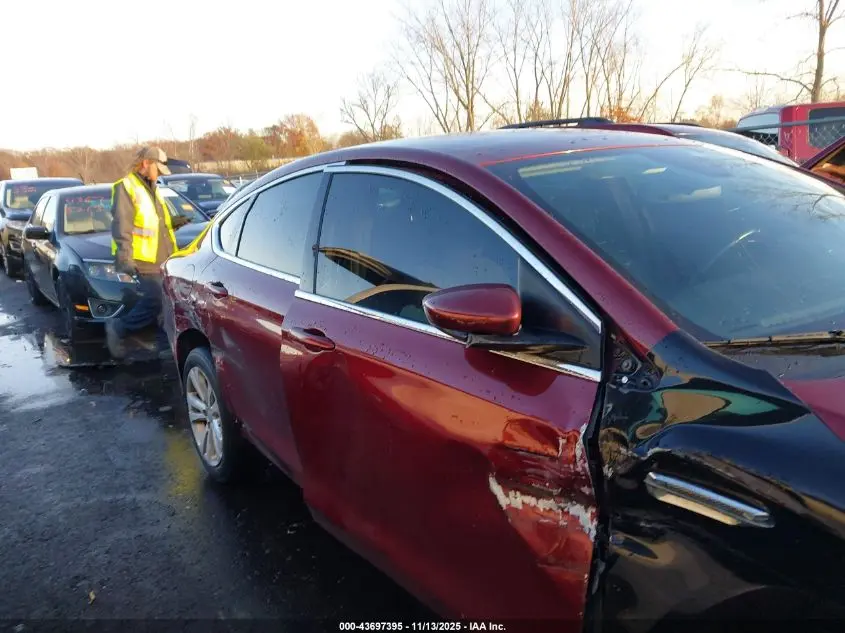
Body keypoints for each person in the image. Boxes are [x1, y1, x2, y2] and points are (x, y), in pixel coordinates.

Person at [105, 147, 177, 359]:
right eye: (158, 168)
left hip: (163, 258)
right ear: (146, 163)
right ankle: (118, 327)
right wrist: (125, 257)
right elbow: (122, 226)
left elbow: (159, 225)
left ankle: (164, 347)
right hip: (143, 259)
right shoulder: (126, 187)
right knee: (155, 299)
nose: (160, 173)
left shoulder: (152, 187)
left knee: (166, 302)